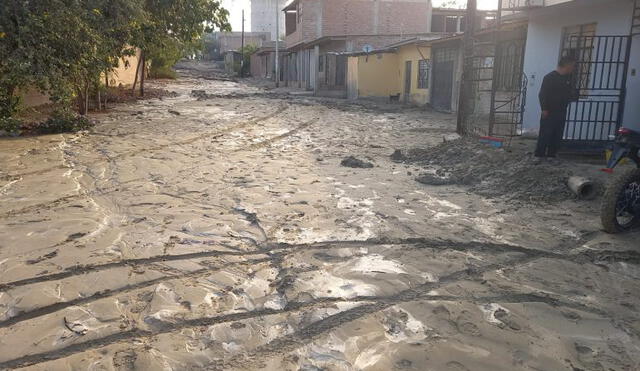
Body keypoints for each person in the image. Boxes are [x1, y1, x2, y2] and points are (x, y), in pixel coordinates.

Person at [535, 56, 578, 158]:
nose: (573, 68)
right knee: (545, 134)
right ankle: (539, 154)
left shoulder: (568, 78)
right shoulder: (549, 78)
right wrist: (544, 108)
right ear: (566, 66)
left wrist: (572, 97)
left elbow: (569, 93)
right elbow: (542, 94)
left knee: (557, 134)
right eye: (572, 66)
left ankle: (552, 154)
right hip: (549, 111)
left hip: (561, 110)